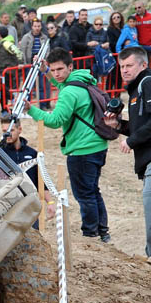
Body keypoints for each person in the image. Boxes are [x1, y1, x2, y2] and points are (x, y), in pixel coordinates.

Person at [26, 47, 110, 241]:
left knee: (84, 194)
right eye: (53, 69)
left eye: (60, 69)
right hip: (97, 145)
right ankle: (102, 231)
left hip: (82, 149)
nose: (56, 74)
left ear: (70, 67)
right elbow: (60, 83)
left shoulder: (68, 92)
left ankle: (90, 233)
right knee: (93, 191)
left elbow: (55, 120)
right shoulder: (81, 80)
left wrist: (31, 109)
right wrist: (46, 71)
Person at [105, 46, 151, 262]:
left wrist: (130, 141)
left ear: (144, 65)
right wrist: (119, 126)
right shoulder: (135, 90)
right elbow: (140, 126)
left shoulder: (147, 83)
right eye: (122, 66)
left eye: (129, 65)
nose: (124, 70)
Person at [20, 19, 50, 108]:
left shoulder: (44, 37)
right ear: (32, 27)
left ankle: (42, 104)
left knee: (41, 85)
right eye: (35, 26)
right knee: (28, 86)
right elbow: (22, 50)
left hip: (41, 63)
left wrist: (44, 61)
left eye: (38, 26)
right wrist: (25, 63)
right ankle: (27, 104)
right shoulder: (26, 37)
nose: (37, 28)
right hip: (29, 64)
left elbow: (47, 50)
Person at [0, 26, 23, 114]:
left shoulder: (6, 43)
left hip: (8, 71)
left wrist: (20, 63)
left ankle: (10, 101)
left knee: (0, 86)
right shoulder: (6, 43)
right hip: (5, 70)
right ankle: (5, 109)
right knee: (1, 88)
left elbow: (18, 52)